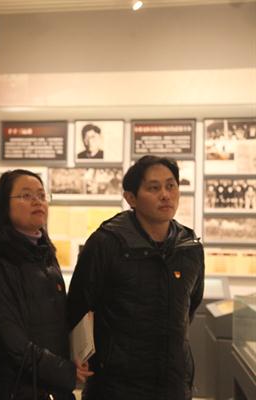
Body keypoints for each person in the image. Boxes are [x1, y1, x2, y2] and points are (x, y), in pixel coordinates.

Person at [67, 155, 205, 400]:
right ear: (131, 198)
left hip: (173, 383)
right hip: (116, 386)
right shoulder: (106, 243)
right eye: (154, 188)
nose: (165, 195)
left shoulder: (189, 247)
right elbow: (78, 304)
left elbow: (189, 308)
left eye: (171, 186)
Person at [0, 169, 93, 400]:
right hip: (12, 389)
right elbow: (10, 340)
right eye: (26, 195)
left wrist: (74, 357)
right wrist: (64, 371)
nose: (37, 201)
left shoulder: (44, 255)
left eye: (41, 195)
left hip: (50, 387)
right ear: (3, 205)